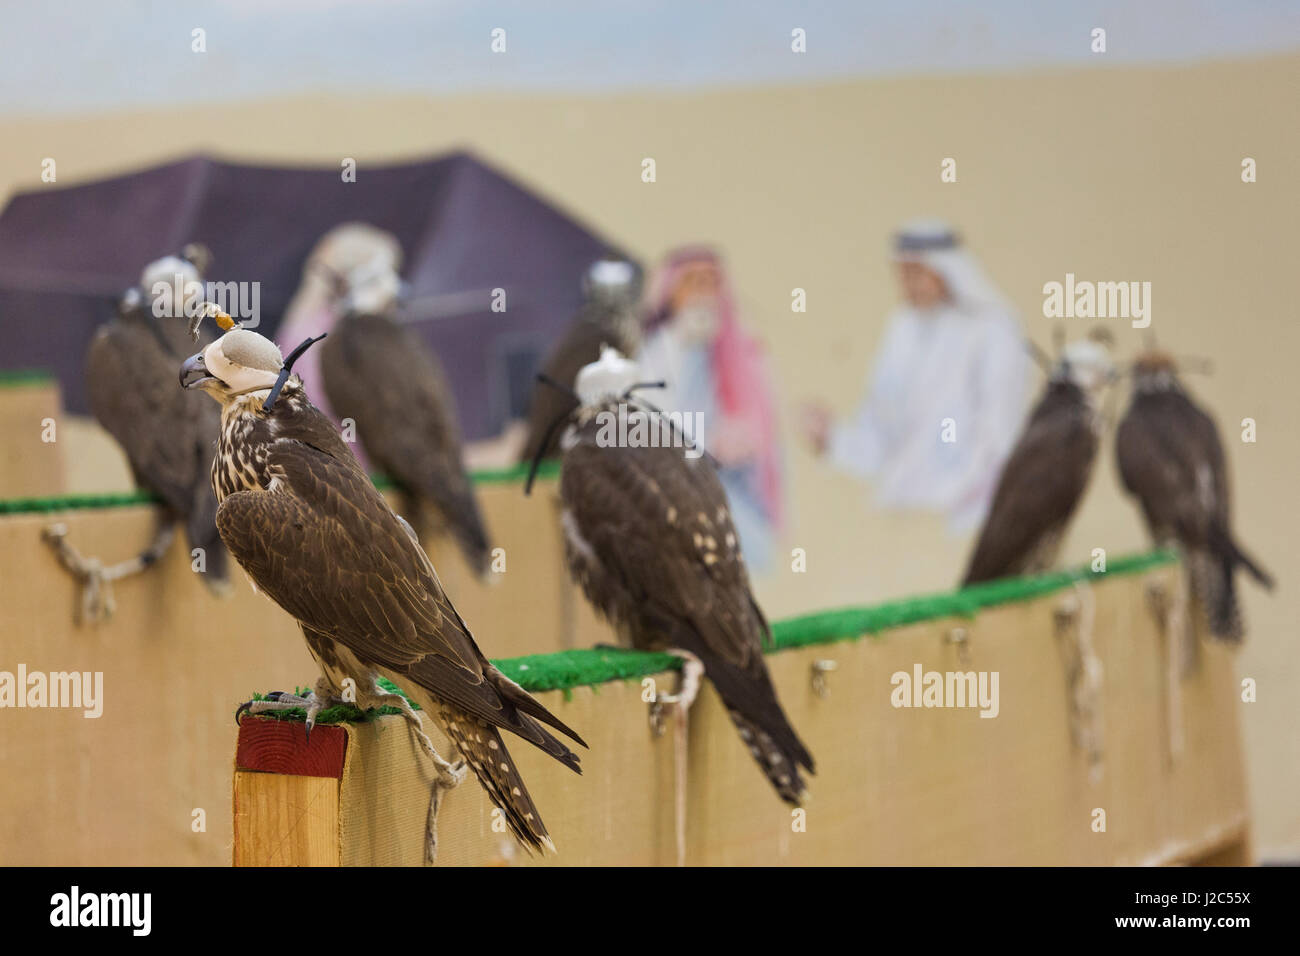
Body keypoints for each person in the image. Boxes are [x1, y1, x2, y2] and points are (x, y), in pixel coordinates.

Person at [801, 220, 1030, 533]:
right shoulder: (903, 329)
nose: (908, 284)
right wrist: (833, 440)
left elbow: (999, 434)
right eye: (903, 274)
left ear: (945, 271)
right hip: (906, 517)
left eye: (916, 273)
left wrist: (958, 495)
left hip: (971, 517)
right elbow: (882, 437)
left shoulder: (992, 330)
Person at [639, 246, 783, 572]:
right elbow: (645, 431)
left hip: (736, 495)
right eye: (692, 281)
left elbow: (765, 431)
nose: (703, 293)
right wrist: (709, 441)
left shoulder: (741, 352)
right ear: (670, 293)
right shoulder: (656, 355)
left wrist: (744, 441)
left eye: (710, 282)